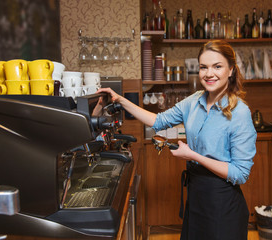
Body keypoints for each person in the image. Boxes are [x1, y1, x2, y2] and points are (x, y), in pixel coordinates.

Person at [97, 40, 257, 240]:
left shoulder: (240, 112)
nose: (209, 73)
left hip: (223, 203)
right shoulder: (194, 101)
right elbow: (158, 120)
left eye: (217, 66)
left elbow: (240, 173)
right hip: (196, 195)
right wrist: (121, 101)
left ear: (231, 70)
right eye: (203, 67)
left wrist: (193, 155)